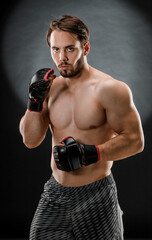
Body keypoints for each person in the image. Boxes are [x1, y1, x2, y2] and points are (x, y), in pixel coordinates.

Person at [19, 15, 144, 240]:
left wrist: (93, 153)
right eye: (55, 49)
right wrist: (34, 102)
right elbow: (30, 140)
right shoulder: (50, 88)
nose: (61, 57)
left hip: (97, 194)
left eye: (69, 49)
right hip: (57, 192)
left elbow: (136, 141)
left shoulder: (110, 89)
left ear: (85, 47)